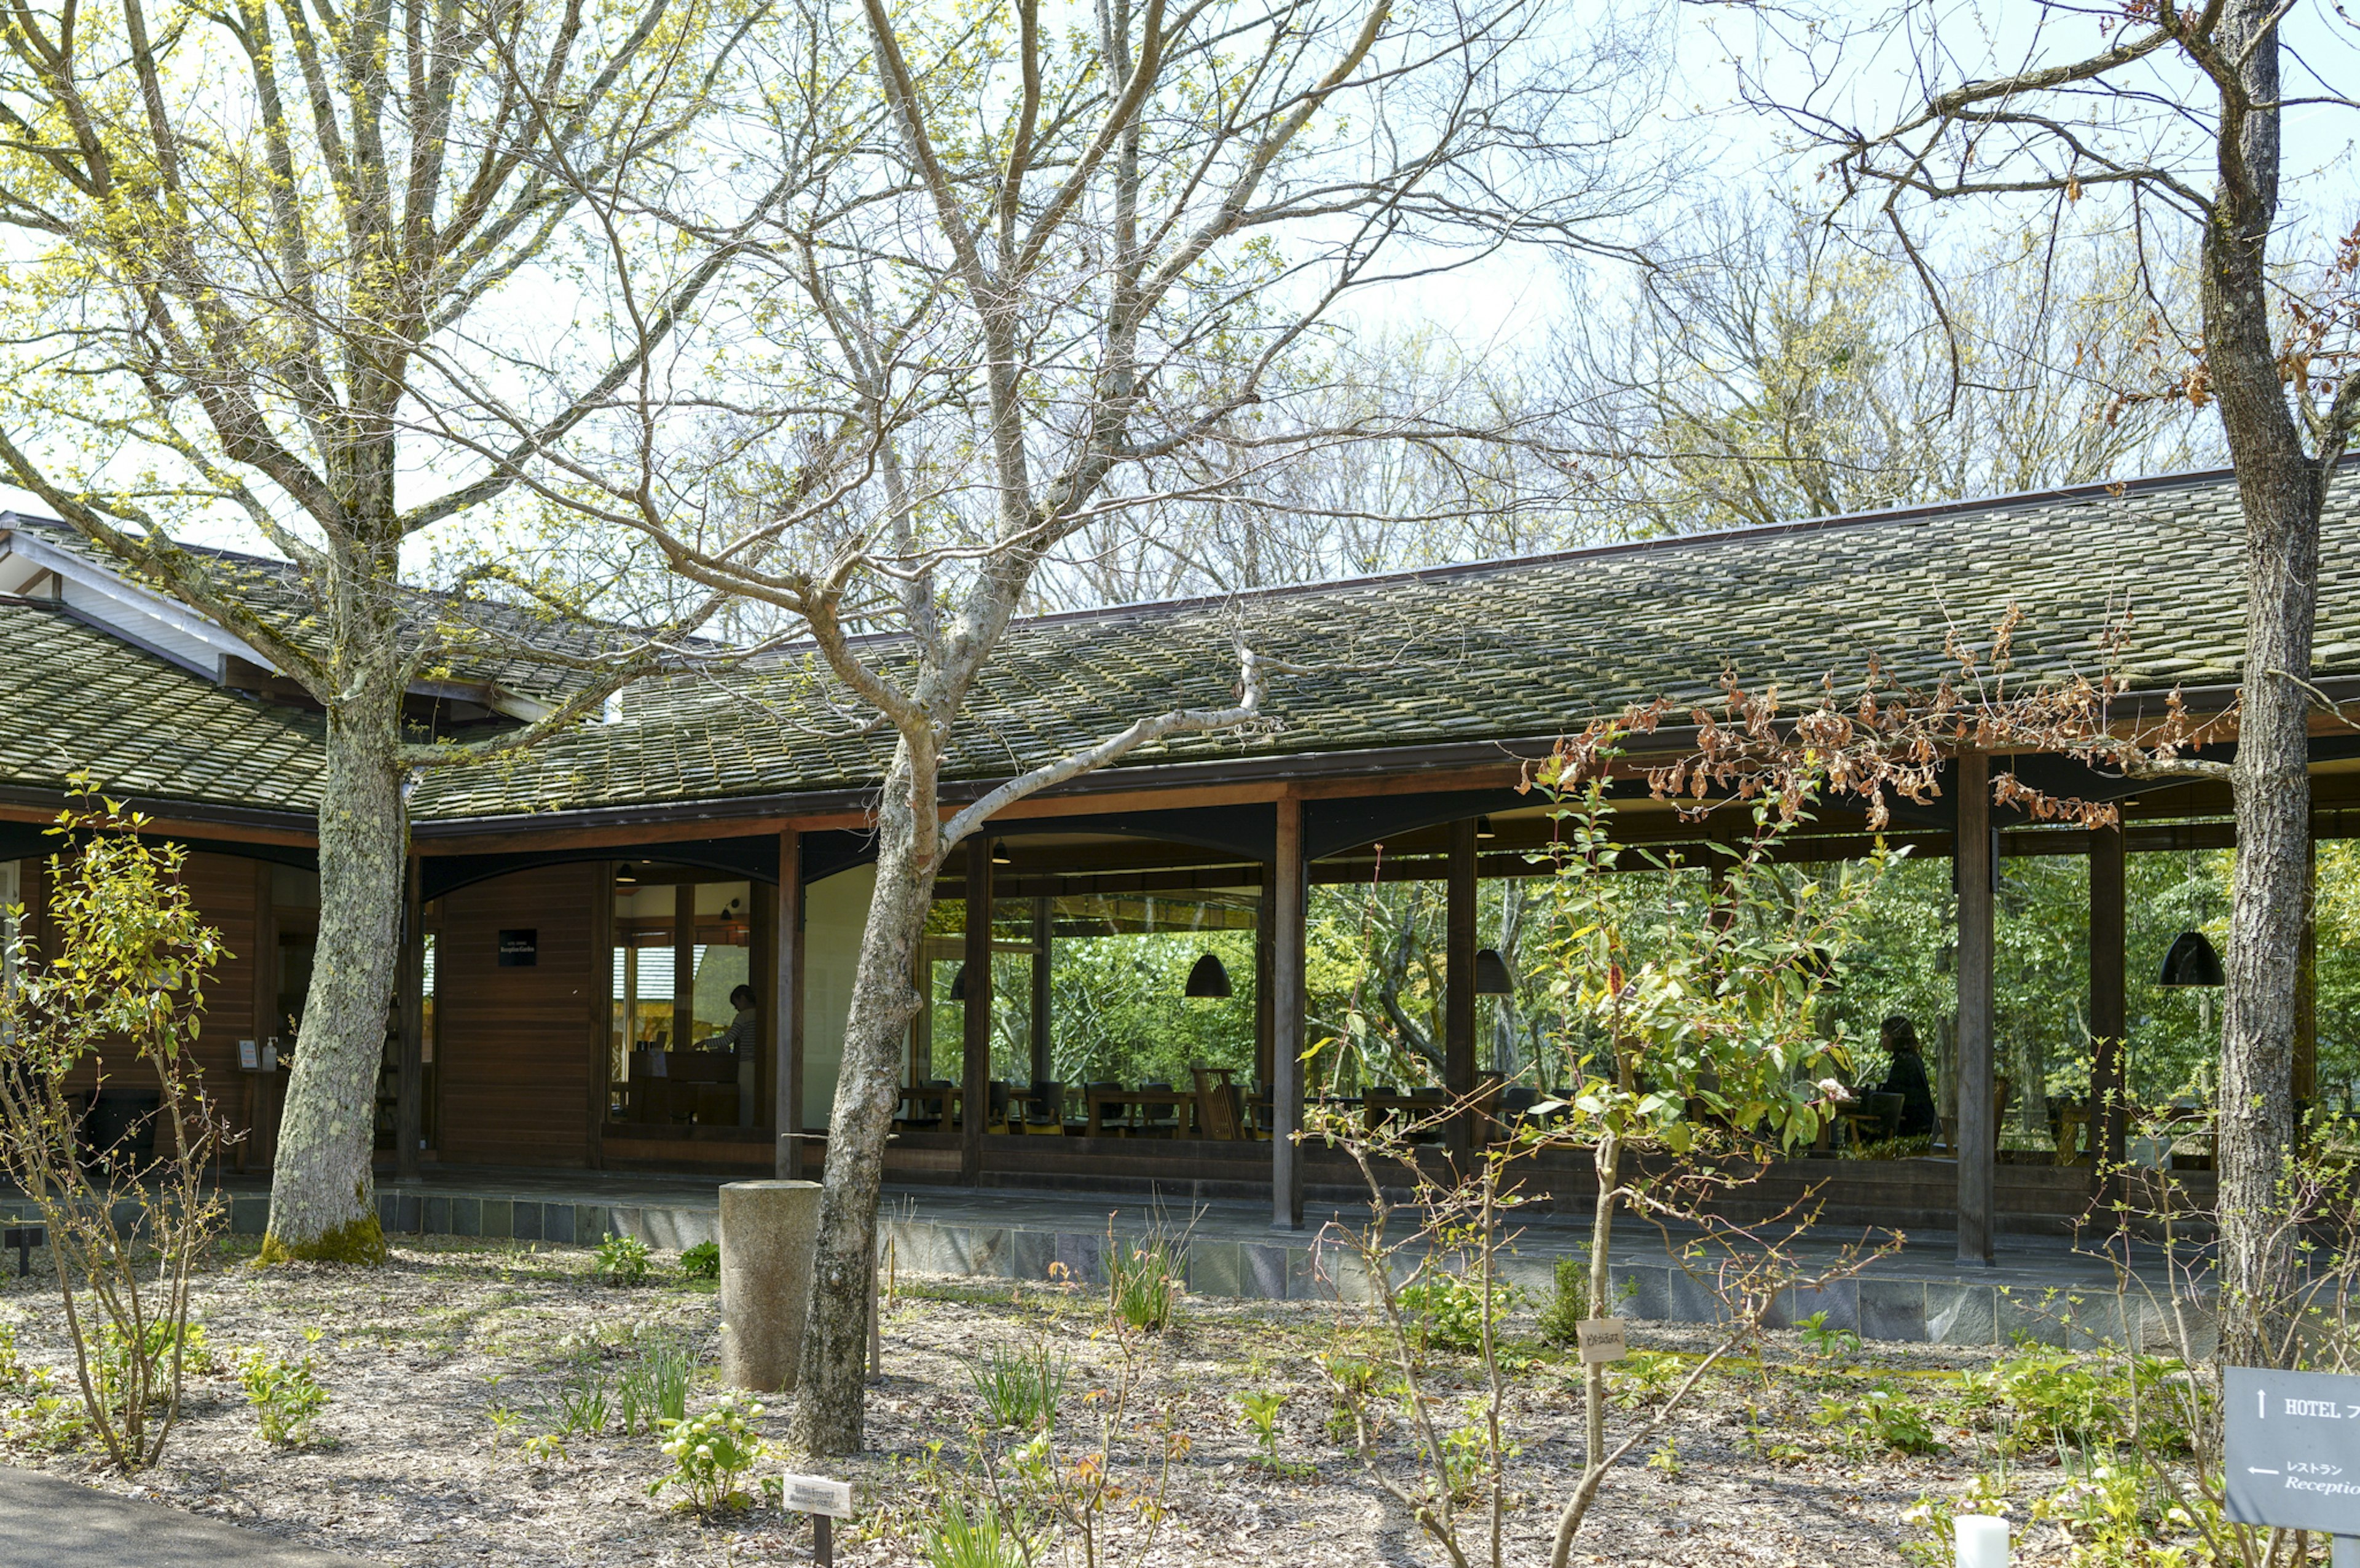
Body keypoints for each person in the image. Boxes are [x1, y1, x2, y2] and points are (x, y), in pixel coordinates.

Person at [695, 984, 760, 1127]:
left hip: (747, 1063)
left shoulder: (743, 1017)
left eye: (736, 1003)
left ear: (742, 999)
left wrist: (705, 1042)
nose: (735, 1008)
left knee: (746, 1101)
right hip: (760, 1064)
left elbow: (727, 1039)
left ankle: (746, 1131)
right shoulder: (763, 1015)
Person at [1874, 1014, 1938, 1139]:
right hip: (1921, 1124)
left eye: (1884, 1035)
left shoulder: (1904, 1063)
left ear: (1896, 1037)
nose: (1882, 1039)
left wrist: (1862, 1094)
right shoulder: (1912, 1059)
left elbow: (1891, 1098)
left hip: (1913, 1128)